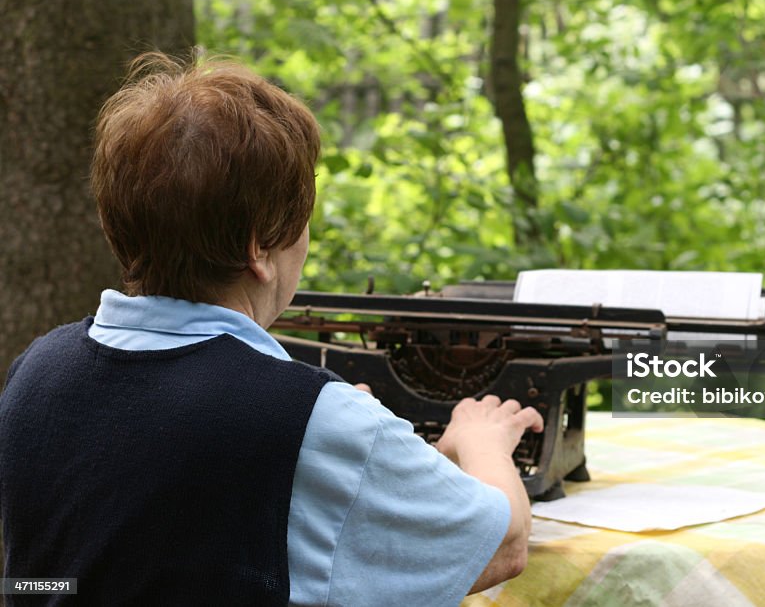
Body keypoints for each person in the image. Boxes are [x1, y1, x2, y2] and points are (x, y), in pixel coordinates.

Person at [0, 53, 543, 606]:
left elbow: (64, 573)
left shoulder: (33, 374)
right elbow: (505, 545)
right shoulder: (313, 420)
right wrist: (483, 443)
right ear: (259, 247)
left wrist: (327, 433)